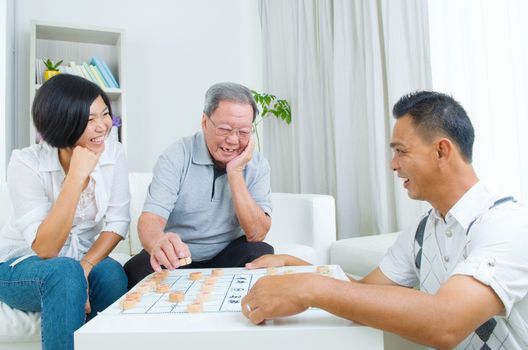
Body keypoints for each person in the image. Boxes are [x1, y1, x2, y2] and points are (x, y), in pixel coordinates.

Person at [242, 91, 528, 350]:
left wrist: (310, 288)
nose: (393, 164)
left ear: (442, 151)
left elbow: (447, 323)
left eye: (401, 150)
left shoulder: (507, 225)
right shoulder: (424, 229)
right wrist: (300, 268)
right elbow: (362, 294)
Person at [0, 74, 130, 350]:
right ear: (63, 122)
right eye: (89, 119)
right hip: (20, 267)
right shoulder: (25, 163)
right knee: (64, 272)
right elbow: (46, 249)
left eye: (105, 114)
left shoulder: (113, 154)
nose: (102, 126)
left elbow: (118, 222)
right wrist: (75, 177)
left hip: (78, 261)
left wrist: (86, 267)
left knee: (111, 274)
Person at [124, 82, 273, 289]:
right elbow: (150, 220)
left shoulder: (258, 164)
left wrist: (235, 172)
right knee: (136, 270)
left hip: (228, 253)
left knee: (260, 252)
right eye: (225, 129)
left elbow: (256, 234)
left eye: (243, 132)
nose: (233, 140)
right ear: (204, 122)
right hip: (180, 256)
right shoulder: (176, 156)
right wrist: (158, 241)